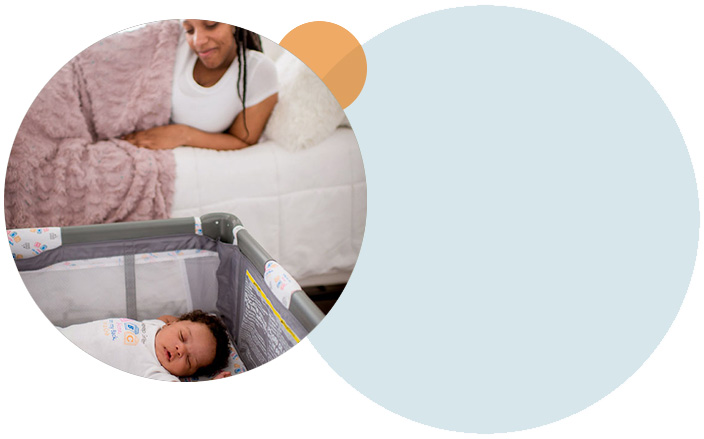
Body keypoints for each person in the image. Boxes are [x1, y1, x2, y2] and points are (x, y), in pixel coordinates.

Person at [121, 19, 279, 151]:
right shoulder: (174, 42)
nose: (198, 41)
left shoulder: (258, 70)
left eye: (211, 25)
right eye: (189, 30)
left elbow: (243, 141)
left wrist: (182, 135)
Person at [58, 310, 232, 381]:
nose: (181, 350)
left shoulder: (157, 372)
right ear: (172, 324)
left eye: (189, 361)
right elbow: (166, 318)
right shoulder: (155, 327)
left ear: (189, 374)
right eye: (182, 336)